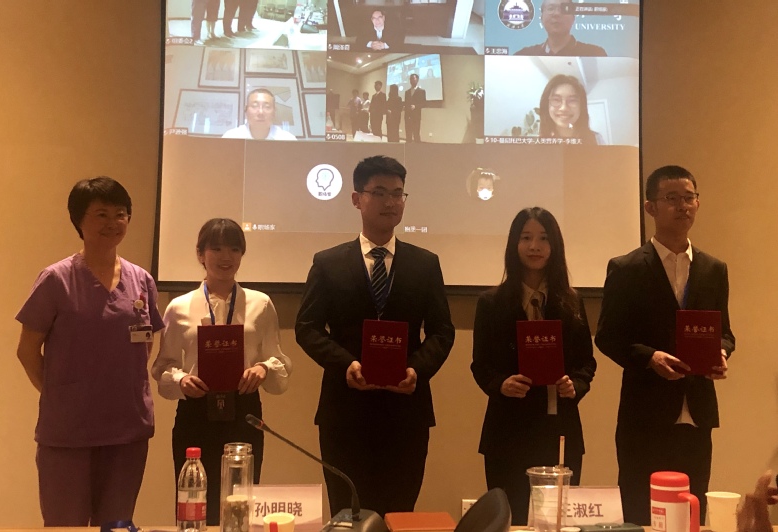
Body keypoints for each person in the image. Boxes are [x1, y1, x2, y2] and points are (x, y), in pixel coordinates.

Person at [295, 155, 455, 517]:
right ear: (357, 199)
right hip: (345, 412)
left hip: (406, 412)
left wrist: (416, 370)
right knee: (349, 515)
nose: (390, 202)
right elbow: (307, 328)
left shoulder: (425, 263)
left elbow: (442, 331)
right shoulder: (328, 263)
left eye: (398, 193)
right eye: (379, 192)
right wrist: (346, 364)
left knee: (398, 514)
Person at [15, 177, 164, 526]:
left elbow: (144, 344)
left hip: (127, 429)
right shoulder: (56, 279)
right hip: (68, 433)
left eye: (120, 214)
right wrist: (59, 394)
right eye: (101, 214)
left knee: (117, 525)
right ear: (78, 221)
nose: (113, 223)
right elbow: (27, 350)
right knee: (65, 525)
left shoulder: (141, 280)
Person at [595, 165, 735, 525]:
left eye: (689, 198)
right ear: (650, 207)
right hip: (645, 415)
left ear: (698, 203)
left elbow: (726, 332)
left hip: (697, 412)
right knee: (641, 512)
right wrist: (650, 357)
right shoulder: (626, 268)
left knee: (691, 514)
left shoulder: (713, 269)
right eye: (671, 198)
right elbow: (607, 336)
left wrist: (721, 352)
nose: (682, 206)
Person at [151, 218, 291, 526]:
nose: (225, 257)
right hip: (195, 412)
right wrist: (181, 380)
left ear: (242, 254)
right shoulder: (179, 307)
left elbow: (278, 359)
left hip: (244, 410)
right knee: (193, 503)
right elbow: (162, 367)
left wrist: (262, 368)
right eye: (216, 249)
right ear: (200, 254)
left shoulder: (261, 304)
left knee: (241, 505)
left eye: (234, 249)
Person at [471, 207, 595, 524]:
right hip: (507, 431)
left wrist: (575, 385)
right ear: (514, 244)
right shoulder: (491, 303)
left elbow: (586, 363)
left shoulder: (572, 302)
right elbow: (480, 365)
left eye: (543, 238)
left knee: (555, 521)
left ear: (555, 246)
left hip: (559, 429)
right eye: (526, 238)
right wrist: (501, 384)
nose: (534, 246)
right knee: (509, 519)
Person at [514, 0, 607, 56]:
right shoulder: (523, 55)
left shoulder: (595, 53)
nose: (557, 14)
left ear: (573, 18)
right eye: (551, 8)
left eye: (563, 9)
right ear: (541, 18)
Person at [539, 74, 604, 145]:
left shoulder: (597, 139)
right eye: (556, 100)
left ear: (581, 106)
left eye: (572, 100)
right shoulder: (537, 143)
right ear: (546, 105)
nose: (564, 108)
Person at [222, 89, 297, 140]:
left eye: (267, 107)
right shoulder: (230, 138)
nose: (261, 112)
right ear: (246, 110)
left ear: (274, 112)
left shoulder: (288, 140)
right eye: (254, 106)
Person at [404, 73, 426, 143]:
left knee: (416, 134)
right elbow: (406, 103)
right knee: (408, 134)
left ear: (417, 80)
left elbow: (424, 103)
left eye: (413, 78)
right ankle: (408, 148)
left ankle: (417, 149)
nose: (412, 80)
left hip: (416, 116)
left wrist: (415, 106)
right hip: (408, 116)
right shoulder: (407, 92)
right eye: (410, 79)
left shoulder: (421, 91)